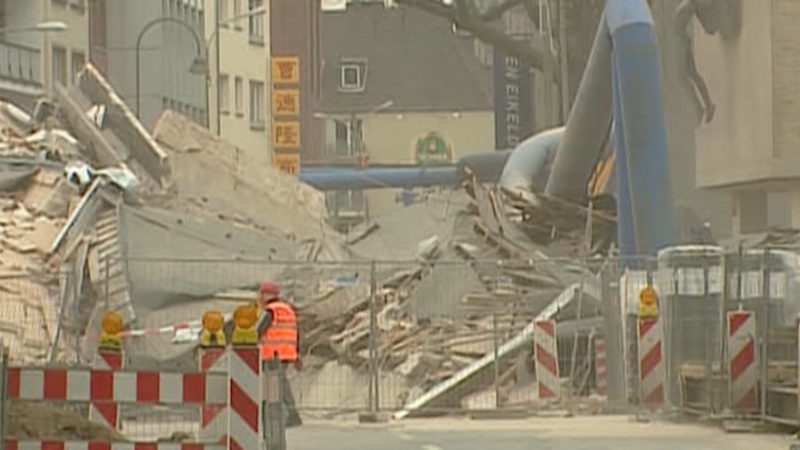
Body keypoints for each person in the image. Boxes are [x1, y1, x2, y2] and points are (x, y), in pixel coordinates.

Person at [256, 281, 303, 428]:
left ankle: (290, 414)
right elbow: (295, 333)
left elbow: (258, 331)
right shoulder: (287, 309)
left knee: (277, 385)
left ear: (266, 295)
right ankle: (285, 414)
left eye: (262, 294)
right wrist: (296, 354)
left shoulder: (270, 311)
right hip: (286, 353)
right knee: (280, 383)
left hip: (272, 354)